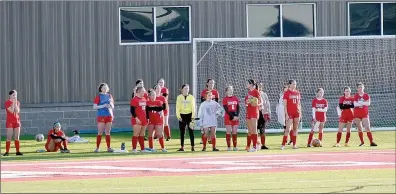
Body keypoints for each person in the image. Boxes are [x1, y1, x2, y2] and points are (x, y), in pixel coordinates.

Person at [93, 83, 114, 153]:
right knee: (100, 132)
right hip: (101, 115)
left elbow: (113, 106)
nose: (105, 89)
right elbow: (94, 107)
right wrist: (103, 105)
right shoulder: (98, 97)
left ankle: (109, 147)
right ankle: (97, 148)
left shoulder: (109, 96)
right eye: (104, 88)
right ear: (101, 89)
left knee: (108, 132)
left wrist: (110, 105)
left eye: (106, 87)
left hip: (109, 115)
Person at [353, 82, 377, 147]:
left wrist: (360, 102)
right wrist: (363, 102)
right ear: (357, 89)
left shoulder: (366, 95)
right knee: (360, 128)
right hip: (357, 114)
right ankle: (362, 142)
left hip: (365, 114)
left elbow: (368, 103)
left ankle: (371, 142)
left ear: (363, 88)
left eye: (361, 87)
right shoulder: (355, 96)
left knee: (367, 128)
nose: (360, 88)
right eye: (359, 87)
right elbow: (355, 104)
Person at [176, 84, 196, 151]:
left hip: (189, 115)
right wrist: (178, 116)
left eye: (187, 88)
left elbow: (193, 108)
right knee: (182, 132)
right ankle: (182, 147)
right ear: (182, 89)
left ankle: (192, 146)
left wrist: (193, 117)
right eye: (185, 88)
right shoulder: (179, 97)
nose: (186, 90)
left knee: (191, 131)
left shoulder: (191, 97)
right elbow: (177, 107)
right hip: (182, 116)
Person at [130, 86, 151, 153]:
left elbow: (146, 110)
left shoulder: (144, 99)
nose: (144, 92)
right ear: (138, 92)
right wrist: (136, 118)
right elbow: (132, 110)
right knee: (136, 134)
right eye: (143, 91)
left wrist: (147, 118)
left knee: (142, 134)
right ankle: (134, 149)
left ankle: (142, 149)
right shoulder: (134, 99)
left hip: (144, 119)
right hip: (137, 120)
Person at [282, 79, 301, 150]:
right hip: (289, 113)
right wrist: (286, 114)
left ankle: (294, 144)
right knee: (287, 129)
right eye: (293, 84)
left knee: (295, 129)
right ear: (289, 84)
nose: (294, 85)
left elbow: (299, 104)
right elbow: (285, 105)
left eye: (295, 84)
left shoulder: (297, 93)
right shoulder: (286, 93)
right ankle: (283, 144)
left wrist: (300, 113)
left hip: (297, 113)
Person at [3, 90, 23, 156]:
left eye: (16, 95)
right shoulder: (7, 103)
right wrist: (13, 103)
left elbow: (17, 111)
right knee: (9, 137)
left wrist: (15, 103)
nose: (15, 96)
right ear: (10, 95)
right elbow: (11, 111)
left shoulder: (18, 102)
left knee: (17, 137)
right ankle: (7, 152)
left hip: (17, 121)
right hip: (10, 121)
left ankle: (17, 151)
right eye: (13, 95)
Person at [200, 79, 219, 144]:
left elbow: (216, 103)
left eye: (213, 83)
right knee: (205, 128)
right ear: (207, 84)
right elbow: (202, 103)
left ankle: (211, 139)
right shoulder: (204, 92)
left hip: (213, 113)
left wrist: (216, 112)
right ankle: (204, 139)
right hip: (206, 113)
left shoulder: (216, 92)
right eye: (210, 83)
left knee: (213, 127)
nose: (211, 84)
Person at [245, 79, 261, 152]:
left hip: (254, 112)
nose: (246, 84)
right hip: (249, 111)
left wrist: (255, 103)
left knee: (254, 130)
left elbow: (260, 102)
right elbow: (248, 102)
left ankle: (254, 147)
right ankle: (257, 143)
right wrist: (248, 102)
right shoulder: (249, 92)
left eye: (247, 83)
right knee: (250, 131)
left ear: (251, 84)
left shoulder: (256, 92)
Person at [222, 86, 240, 151]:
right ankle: (229, 147)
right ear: (226, 91)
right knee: (229, 131)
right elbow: (226, 109)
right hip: (228, 117)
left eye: (231, 89)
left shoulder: (235, 98)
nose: (230, 91)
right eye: (229, 90)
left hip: (235, 117)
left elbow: (238, 108)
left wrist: (237, 116)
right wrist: (232, 116)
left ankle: (235, 147)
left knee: (235, 131)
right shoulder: (225, 99)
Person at [257, 83, 270, 150]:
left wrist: (268, 112)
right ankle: (256, 144)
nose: (260, 88)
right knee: (255, 130)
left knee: (262, 130)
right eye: (259, 87)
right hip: (256, 114)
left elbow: (267, 104)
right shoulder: (255, 94)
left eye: (261, 87)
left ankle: (263, 145)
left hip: (263, 113)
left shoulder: (264, 94)